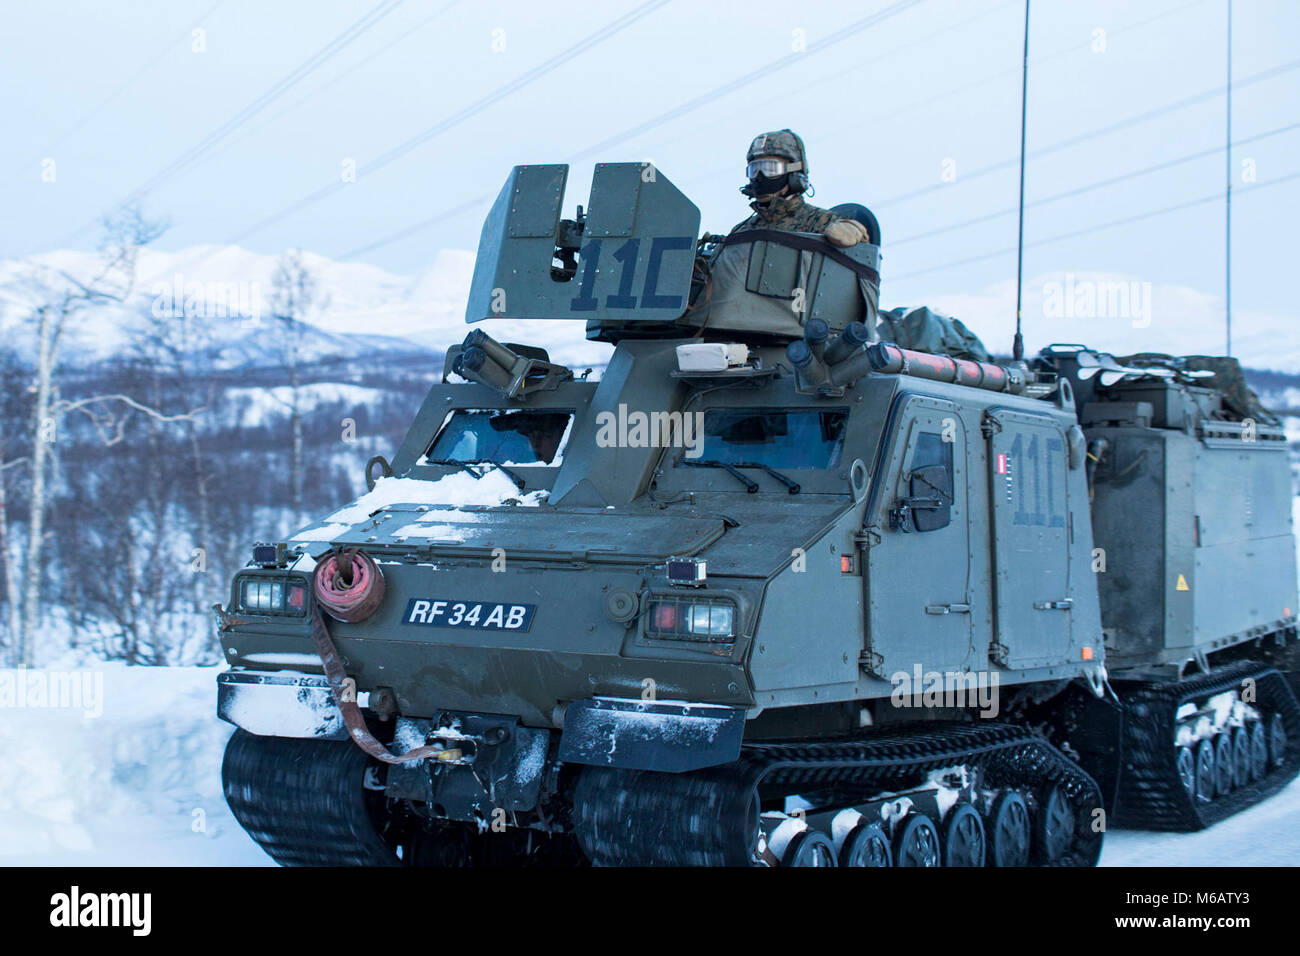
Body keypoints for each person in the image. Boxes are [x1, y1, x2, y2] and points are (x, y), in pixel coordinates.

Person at [727, 129, 870, 248]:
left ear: (794, 173)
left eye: (770, 169)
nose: (760, 176)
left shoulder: (820, 222)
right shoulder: (741, 232)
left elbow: (861, 251)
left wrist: (854, 229)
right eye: (754, 170)